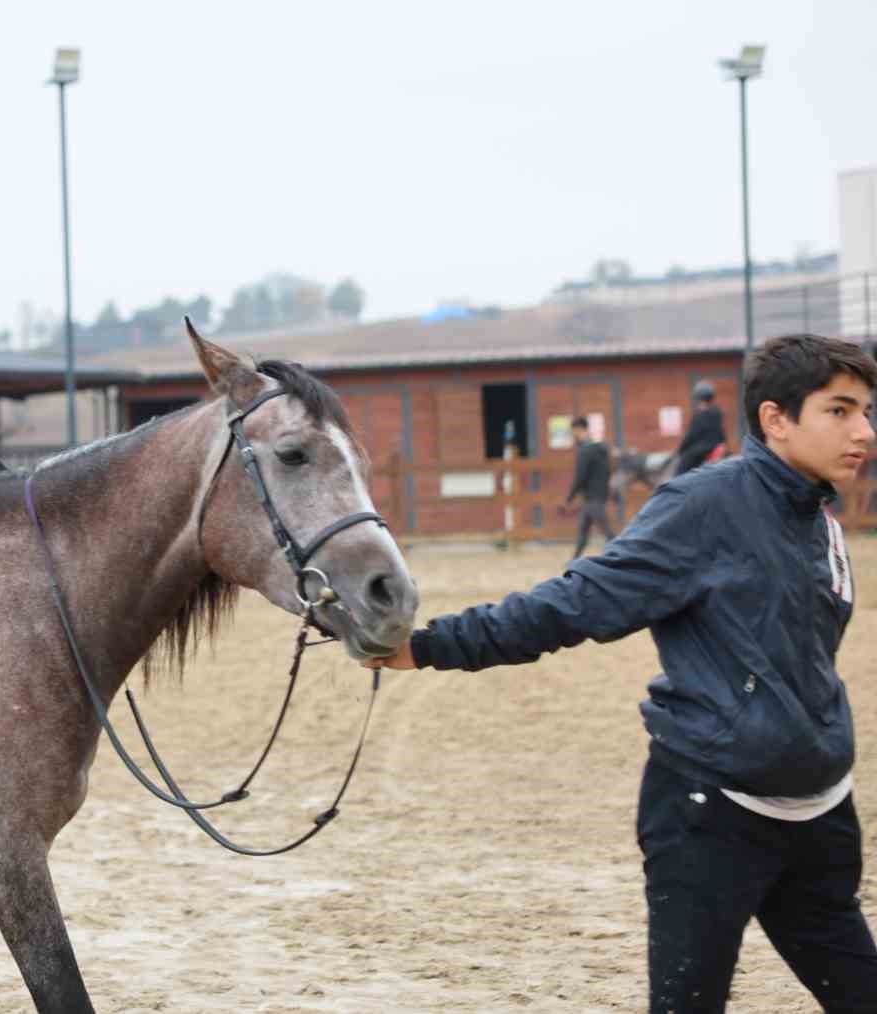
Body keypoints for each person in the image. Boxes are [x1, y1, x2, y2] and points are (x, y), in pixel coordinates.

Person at [369, 333, 877, 1012]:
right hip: (712, 818)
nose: (864, 431)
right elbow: (576, 602)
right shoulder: (704, 506)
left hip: (820, 816)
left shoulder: (818, 516)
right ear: (776, 420)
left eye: (866, 411)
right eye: (840, 411)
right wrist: (432, 646)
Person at [563, 416, 617, 560]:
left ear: (578, 429)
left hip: (592, 497)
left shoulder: (585, 451)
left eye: (573, 431)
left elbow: (580, 477)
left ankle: (622, 557)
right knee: (584, 531)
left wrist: (570, 497)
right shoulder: (599, 447)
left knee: (608, 532)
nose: (572, 435)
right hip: (597, 495)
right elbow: (609, 470)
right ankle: (573, 560)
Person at [674, 380, 726, 475]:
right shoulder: (717, 412)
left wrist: (681, 449)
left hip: (702, 450)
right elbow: (721, 433)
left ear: (698, 398)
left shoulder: (700, 415)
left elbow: (691, 435)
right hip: (716, 448)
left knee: (681, 467)